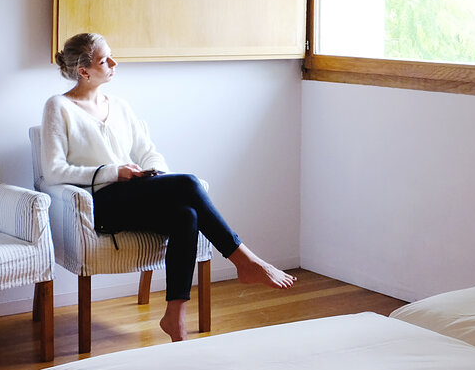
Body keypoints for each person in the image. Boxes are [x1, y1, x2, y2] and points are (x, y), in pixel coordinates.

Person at [41, 32, 295, 342]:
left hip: (132, 194)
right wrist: (114, 172)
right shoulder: (59, 106)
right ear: (84, 71)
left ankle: (175, 317)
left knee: (186, 215)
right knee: (188, 183)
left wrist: (155, 174)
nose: (114, 63)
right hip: (98, 203)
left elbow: (149, 152)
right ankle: (246, 261)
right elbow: (53, 171)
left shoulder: (119, 106)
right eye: (105, 60)